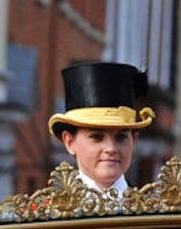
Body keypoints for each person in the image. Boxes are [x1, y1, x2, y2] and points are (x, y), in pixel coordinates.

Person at [47, 62, 154, 194]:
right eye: (97, 137)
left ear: (134, 140)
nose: (111, 148)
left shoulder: (155, 211)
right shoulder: (45, 212)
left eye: (121, 137)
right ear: (70, 142)